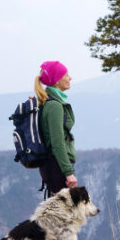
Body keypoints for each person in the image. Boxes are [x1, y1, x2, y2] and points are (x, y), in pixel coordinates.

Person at [34, 60, 77, 196]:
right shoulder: (55, 106)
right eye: (66, 75)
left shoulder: (46, 101)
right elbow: (58, 143)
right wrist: (68, 173)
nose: (70, 78)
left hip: (52, 166)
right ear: (57, 80)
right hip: (57, 167)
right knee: (63, 214)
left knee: (57, 212)